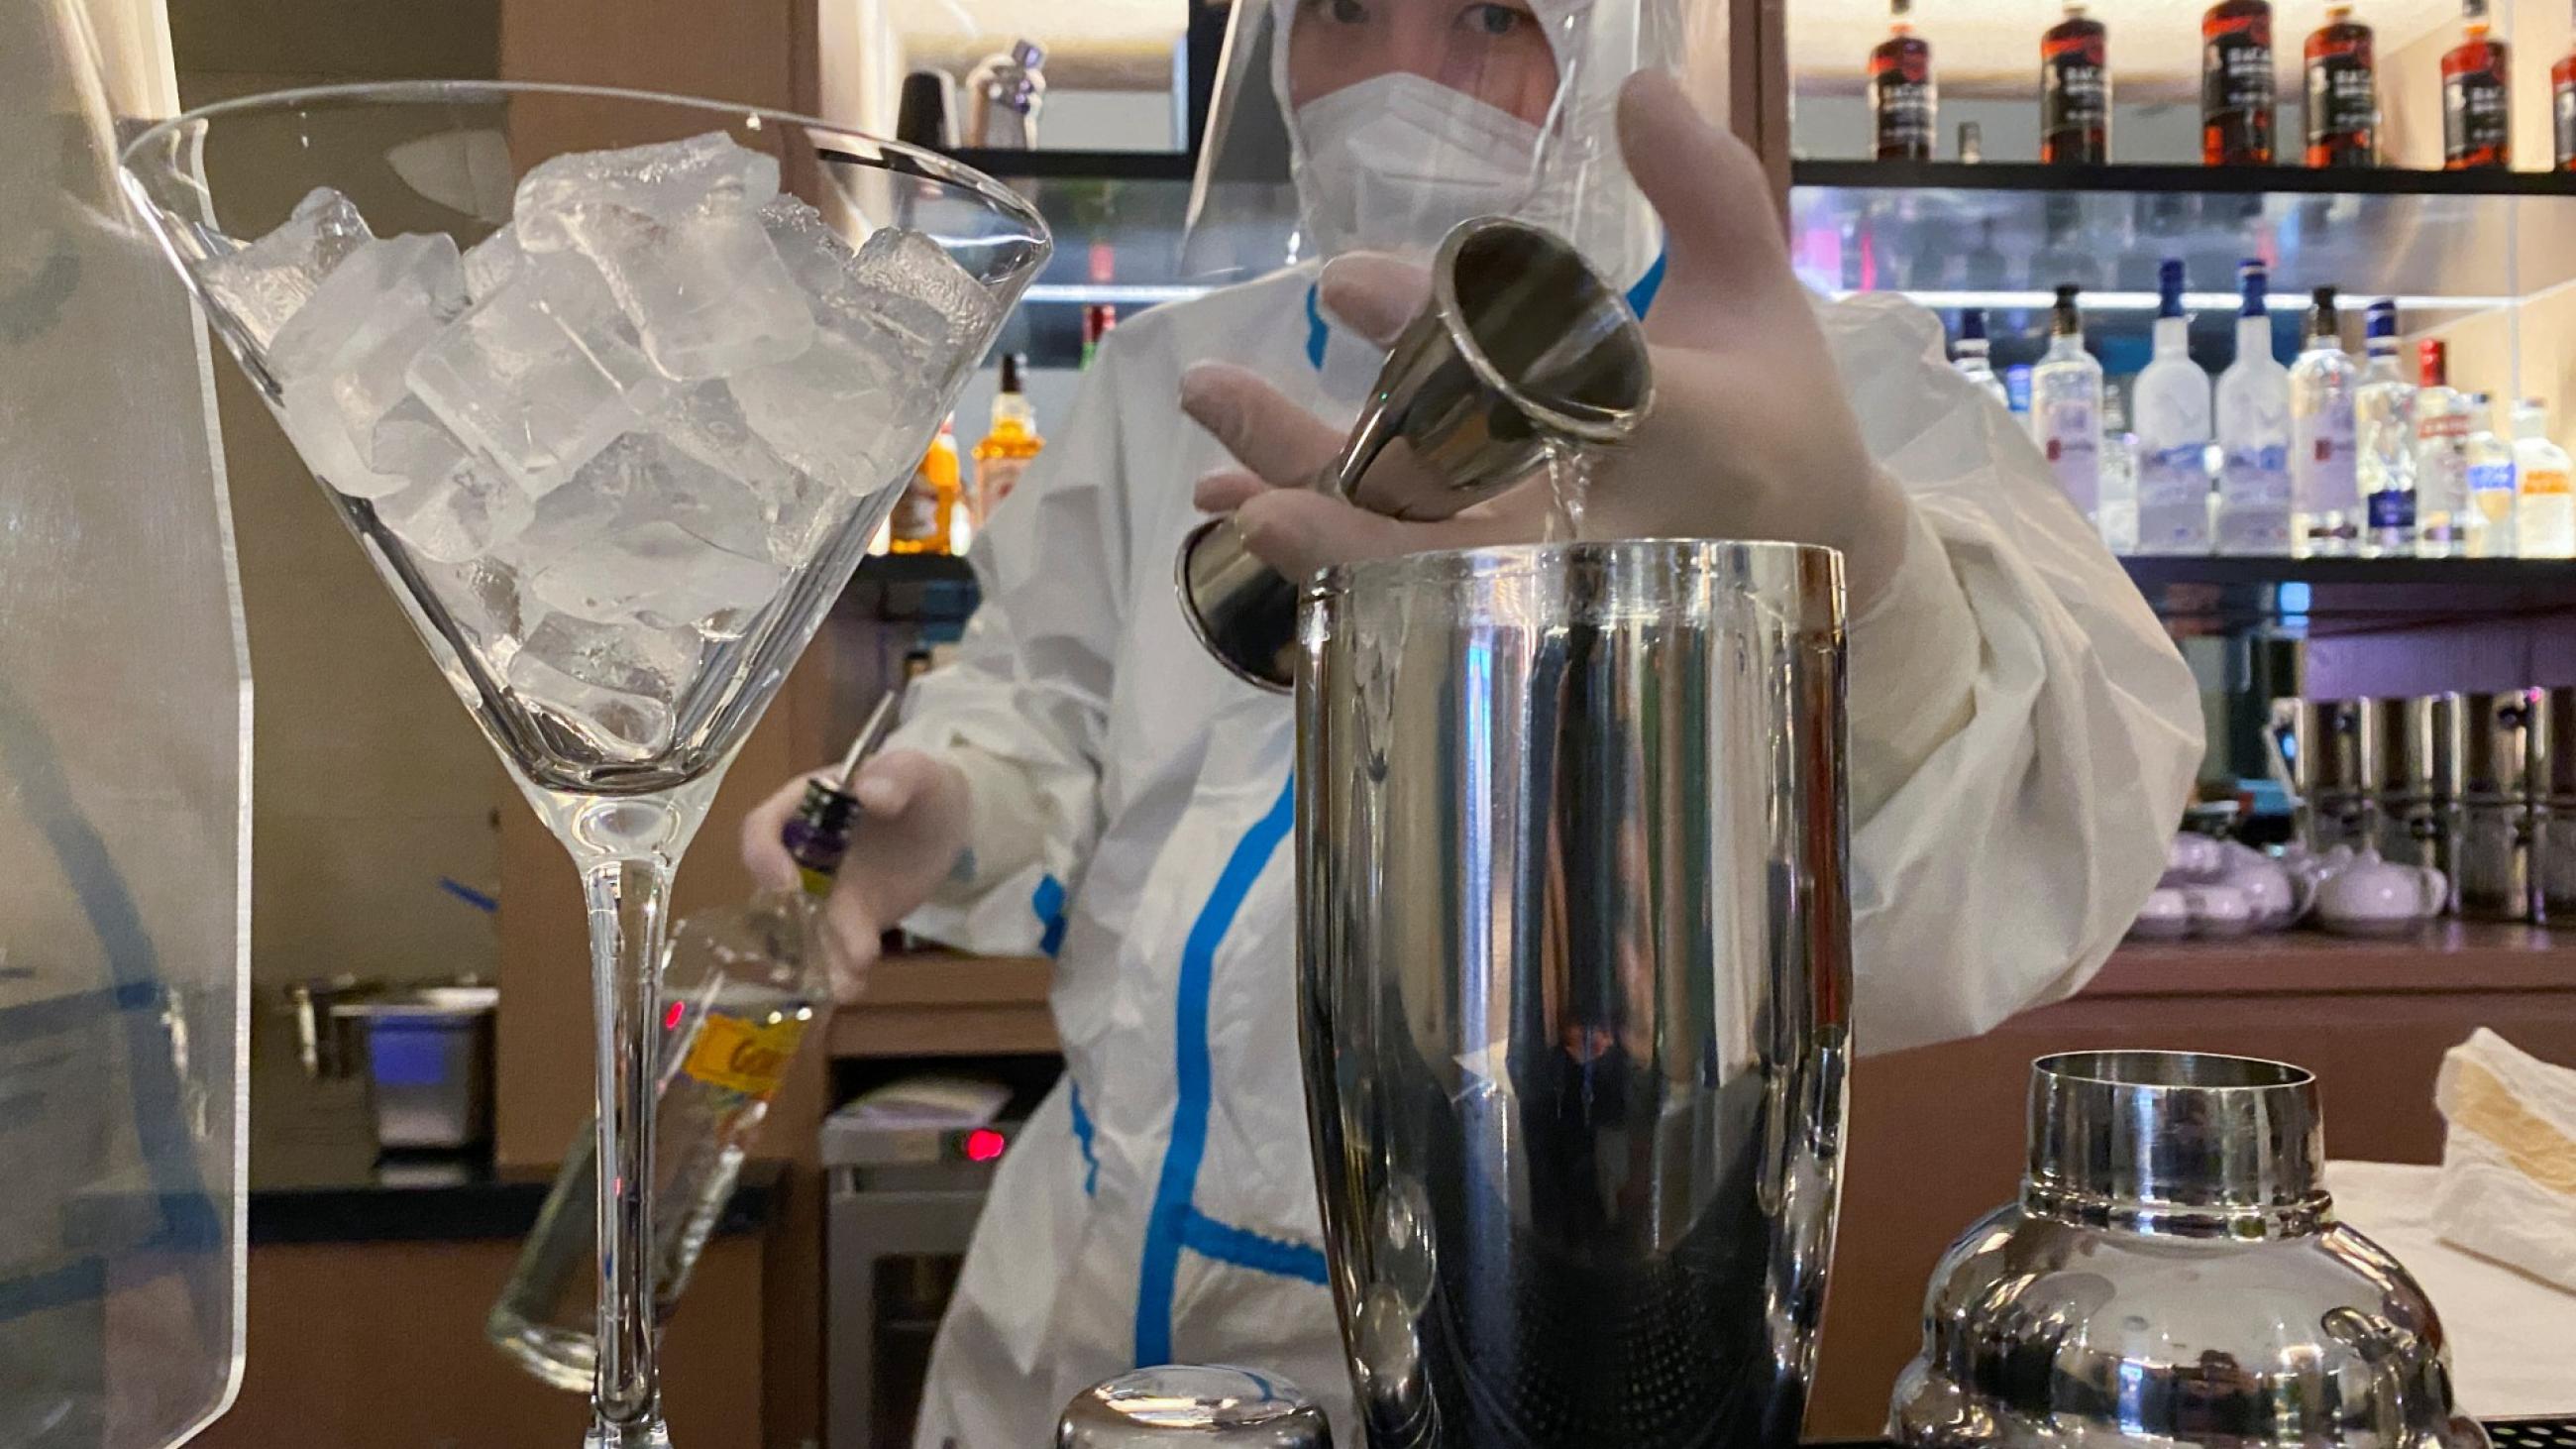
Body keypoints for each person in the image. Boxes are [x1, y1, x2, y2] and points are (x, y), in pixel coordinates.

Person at [744, 1, 2202, 1441]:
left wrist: (1858, 574)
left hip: (1533, 1341)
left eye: (1491, 14)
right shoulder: (1164, 378)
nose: (1394, 77)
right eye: (1341, 7)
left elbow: (2062, 799)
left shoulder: (1801, 392)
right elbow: (1046, 706)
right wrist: (952, 800)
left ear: (1617, 46)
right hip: (1080, 1320)